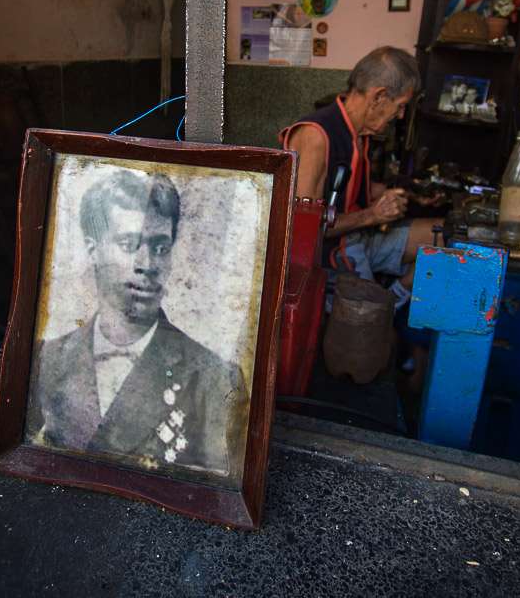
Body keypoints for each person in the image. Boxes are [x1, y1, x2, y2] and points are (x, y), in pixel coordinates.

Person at [26, 170, 244, 474]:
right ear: (93, 250)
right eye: (129, 244)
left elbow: (217, 495)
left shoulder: (215, 381)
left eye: (160, 248)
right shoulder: (45, 359)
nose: (147, 265)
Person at [279, 47, 440, 310]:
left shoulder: (358, 133)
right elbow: (302, 228)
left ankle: (391, 300)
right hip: (331, 254)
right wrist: (373, 215)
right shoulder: (316, 136)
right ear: (379, 97)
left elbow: (352, 192)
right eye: (400, 107)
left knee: (441, 238)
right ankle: (386, 307)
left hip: (360, 236)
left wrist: (410, 194)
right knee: (368, 330)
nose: (400, 116)